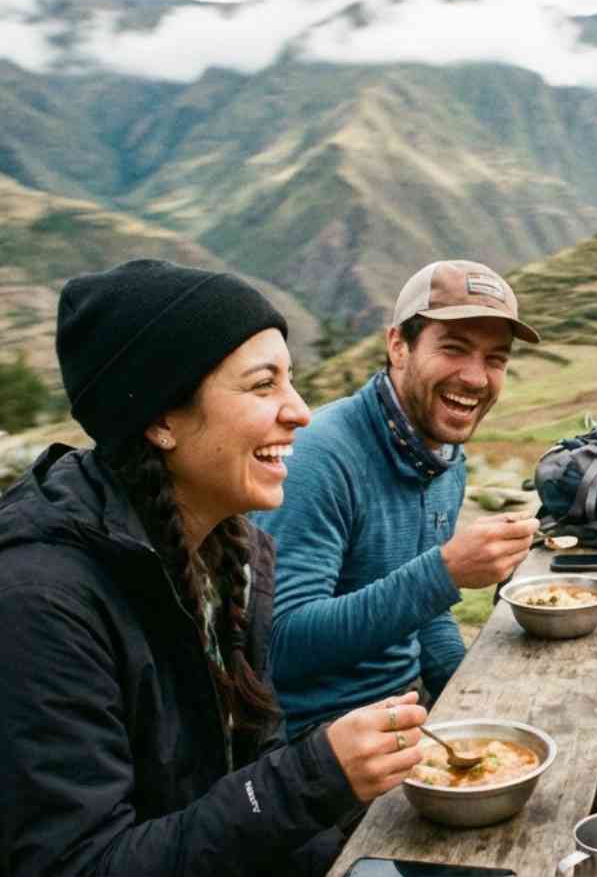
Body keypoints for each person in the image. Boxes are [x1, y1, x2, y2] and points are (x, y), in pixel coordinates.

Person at [0, 259, 429, 876]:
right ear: (159, 420)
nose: (300, 411)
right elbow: (80, 864)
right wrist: (311, 777)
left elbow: (252, 781)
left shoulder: (233, 554)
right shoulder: (40, 603)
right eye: (262, 386)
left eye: (291, 380)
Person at [259, 259, 540, 739]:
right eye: (454, 349)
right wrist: (444, 573)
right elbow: (279, 646)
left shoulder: (443, 457)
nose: (476, 378)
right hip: (320, 740)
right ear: (398, 346)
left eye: (496, 358)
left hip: (407, 711)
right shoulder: (318, 459)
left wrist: (471, 697)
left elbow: (425, 615)